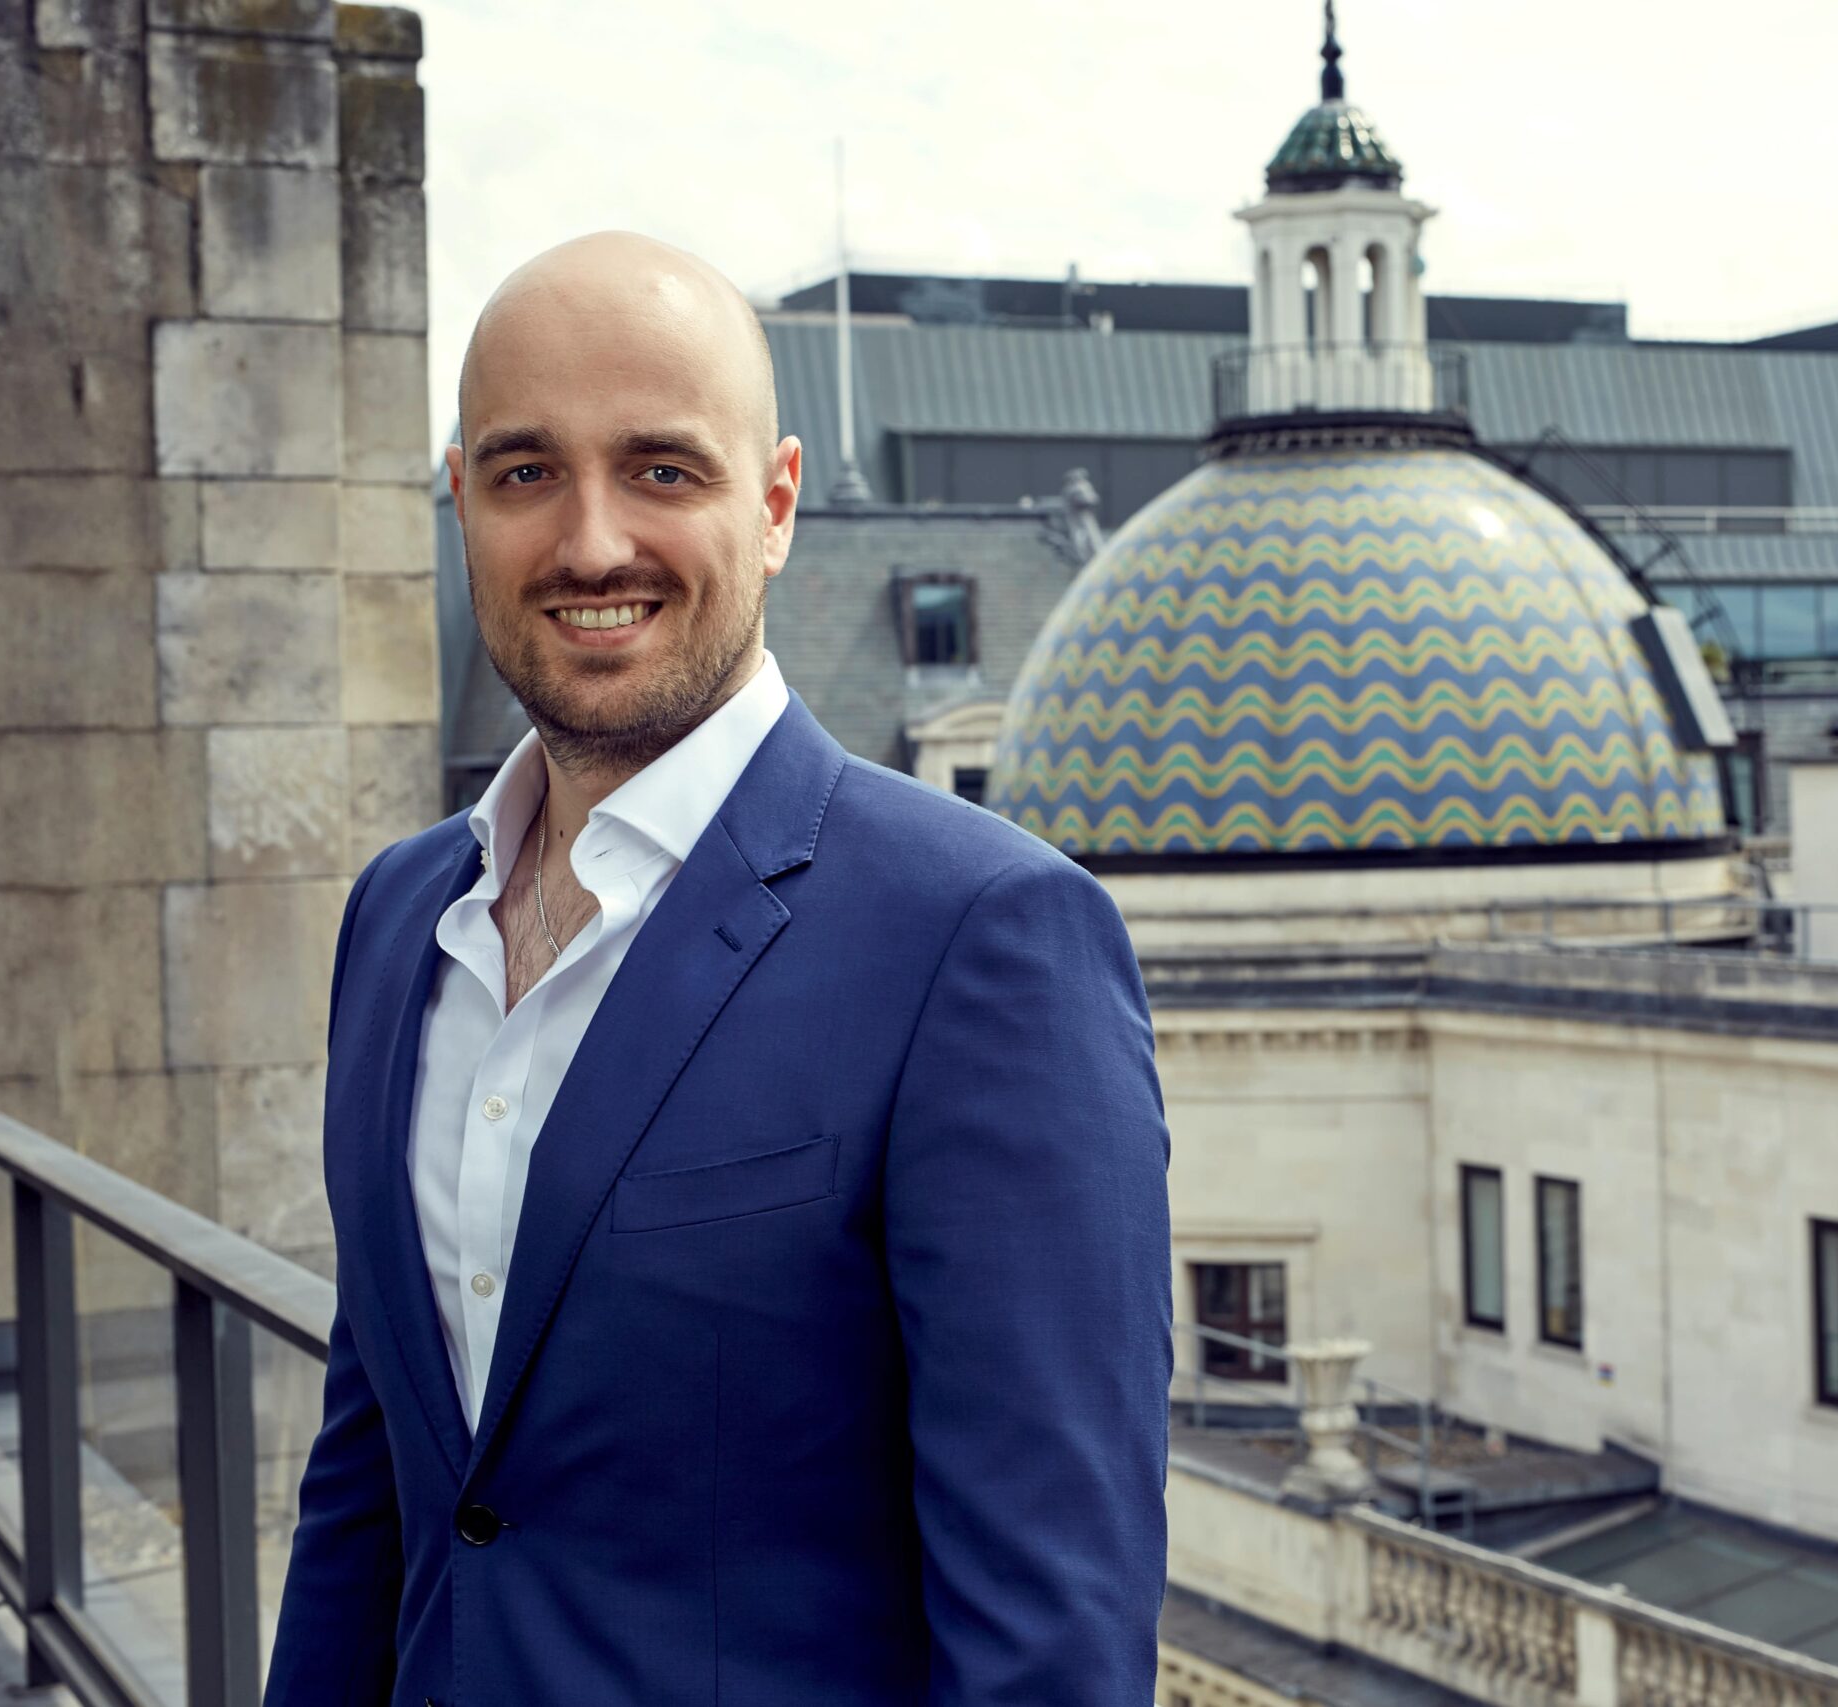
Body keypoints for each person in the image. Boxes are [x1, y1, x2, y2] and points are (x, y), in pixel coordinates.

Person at [265, 231, 1172, 1705]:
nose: (591, 544)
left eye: (663, 470)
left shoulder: (985, 941)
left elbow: (1050, 1639)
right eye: (526, 471)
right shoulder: (396, 918)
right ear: (462, 502)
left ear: (776, 505)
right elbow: (370, 1486)